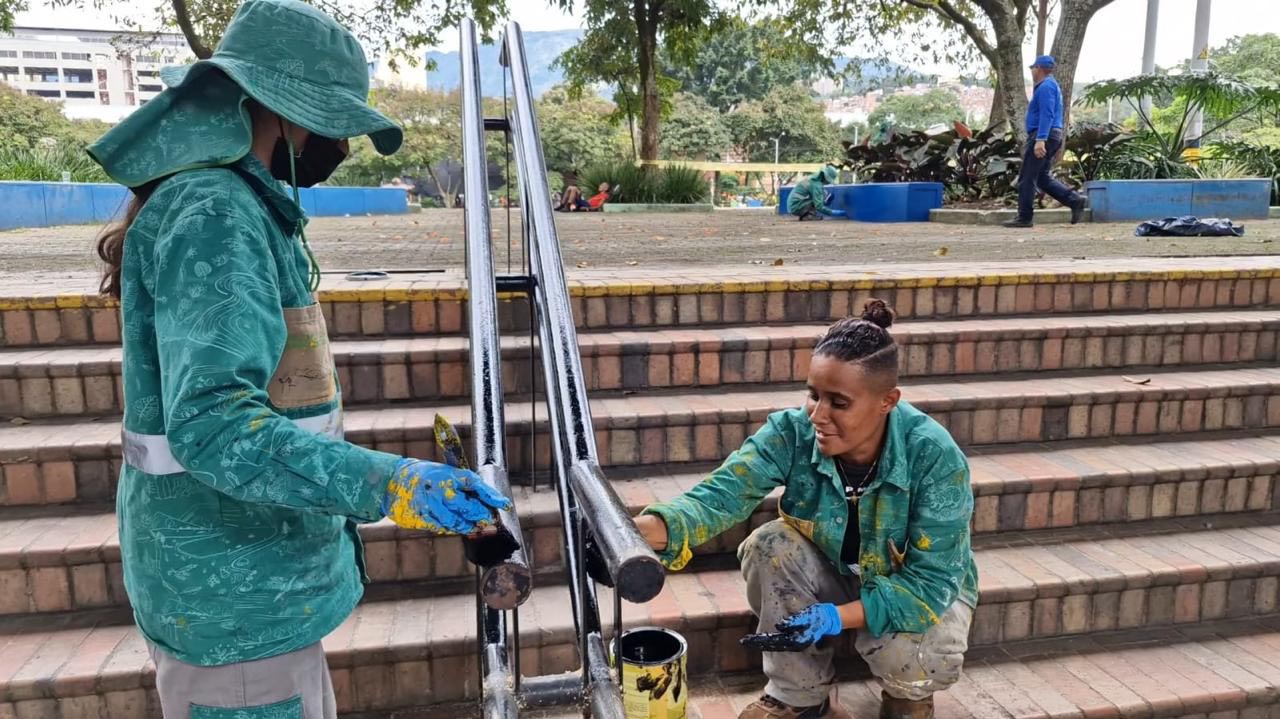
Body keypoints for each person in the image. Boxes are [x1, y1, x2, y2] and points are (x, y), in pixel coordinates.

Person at [87, 1, 510, 716]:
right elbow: (217, 429)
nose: (337, 141)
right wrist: (397, 484)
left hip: (242, 586)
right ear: (276, 111)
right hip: (236, 598)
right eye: (328, 120)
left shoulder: (231, 203)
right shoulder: (216, 212)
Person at [592, 300, 976, 719]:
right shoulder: (791, 432)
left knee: (921, 655)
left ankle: (908, 695)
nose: (818, 415)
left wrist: (834, 617)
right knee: (770, 544)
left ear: (888, 401)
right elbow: (719, 496)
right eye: (813, 395)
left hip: (915, 591)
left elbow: (930, 585)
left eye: (839, 402)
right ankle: (801, 698)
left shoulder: (934, 458)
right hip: (839, 572)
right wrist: (635, 533)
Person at [1003, 55, 1087, 228]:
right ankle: (1074, 200)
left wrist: (1040, 140)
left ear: (1039, 68)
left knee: (1026, 177)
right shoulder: (1049, 86)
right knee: (1041, 178)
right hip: (1051, 135)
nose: (1032, 71)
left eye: (1033, 68)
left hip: (1043, 135)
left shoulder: (1046, 87)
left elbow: (1047, 114)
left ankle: (1024, 217)